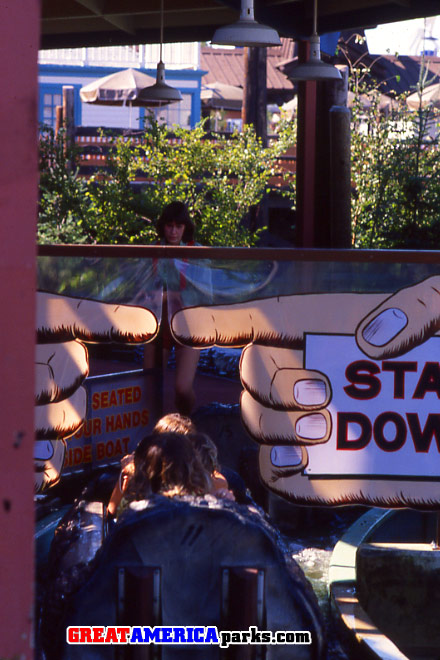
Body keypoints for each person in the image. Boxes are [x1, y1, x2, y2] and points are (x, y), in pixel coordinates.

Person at [143, 202, 201, 416]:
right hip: (159, 327)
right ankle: (154, 436)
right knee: (149, 388)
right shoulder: (153, 251)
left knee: (182, 389)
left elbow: (204, 295)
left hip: (189, 327)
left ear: (186, 227)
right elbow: (143, 290)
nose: (174, 231)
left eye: (179, 226)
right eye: (169, 226)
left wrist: (170, 296)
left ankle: (187, 422)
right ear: (163, 227)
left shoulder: (197, 254)